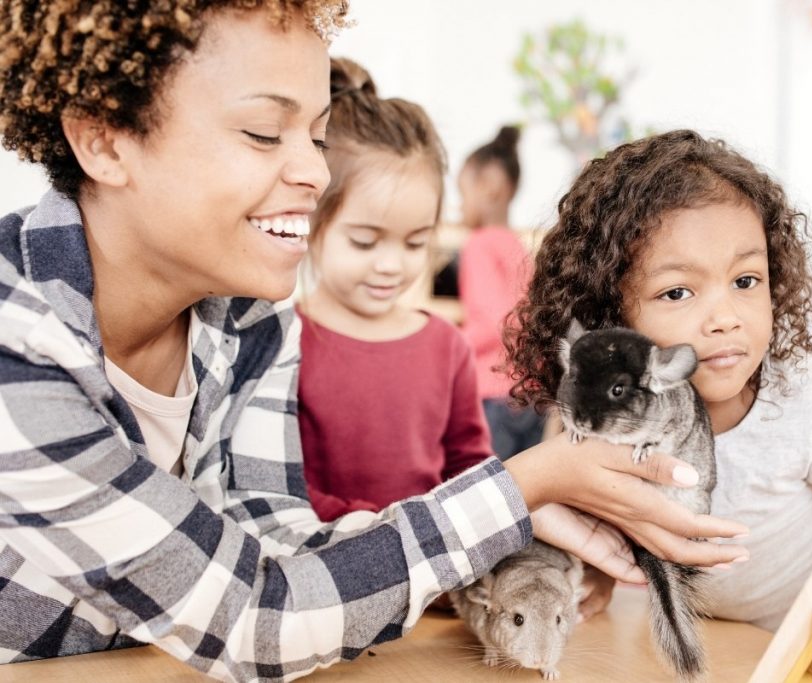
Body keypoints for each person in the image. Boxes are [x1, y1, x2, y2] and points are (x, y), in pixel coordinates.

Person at [0, 4, 748, 681]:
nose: (314, 172)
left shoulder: (249, 321)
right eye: (265, 132)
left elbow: (282, 542)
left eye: (319, 137)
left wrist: (505, 525)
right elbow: (258, 615)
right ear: (103, 137)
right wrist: (522, 488)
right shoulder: (18, 346)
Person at [507, 129, 812, 667]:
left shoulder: (807, 404)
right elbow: (601, 502)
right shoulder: (602, 414)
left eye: (747, 280)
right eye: (678, 292)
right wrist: (600, 573)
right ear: (611, 319)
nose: (726, 318)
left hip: (794, 647)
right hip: (697, 643)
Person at [297, 57, 492, 521]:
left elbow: (471, 472)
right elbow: (278, 491)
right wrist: (386, 534)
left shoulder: (447, 348)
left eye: (415, 242)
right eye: (364, 241)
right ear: (312, 221)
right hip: (319, 572)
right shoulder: (283, 340)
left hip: (433, 580)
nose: (391, 266)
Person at [456, 125, 547, 461]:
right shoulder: (517, 246)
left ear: (490, 187)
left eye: (462, 193)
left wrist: (447, 344)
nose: (459, 206)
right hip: (531, 396)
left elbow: (496, 323)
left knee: (486, 493)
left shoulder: (478, 244)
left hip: (494, 395)